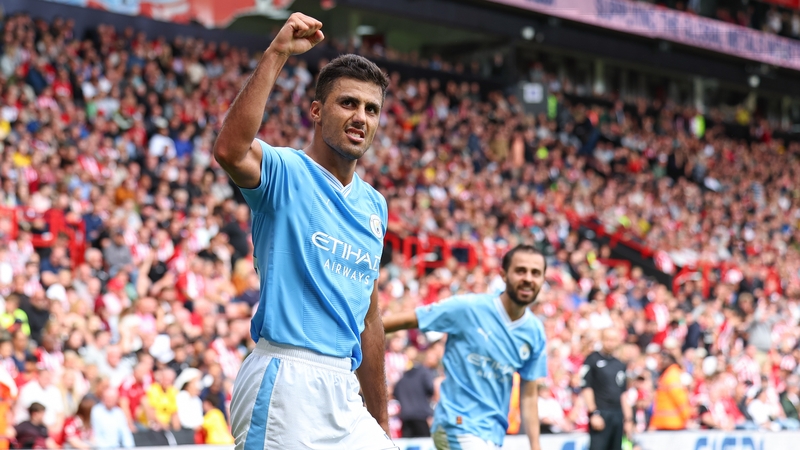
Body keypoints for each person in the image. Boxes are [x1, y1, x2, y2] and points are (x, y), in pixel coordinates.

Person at [214, 12, 394, 450]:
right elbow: (230, 150)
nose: (361, 117)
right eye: (348, 103)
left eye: (371, 109)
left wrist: (381, 427)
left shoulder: (374, 205)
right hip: (284, 380)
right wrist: (277, 53)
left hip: (343, 389)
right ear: (316, 110)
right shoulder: (287, 170)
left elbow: (369, 323)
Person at [383, 244, 548, 450]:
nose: (528, 278)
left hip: (492, 433)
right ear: (504, 275)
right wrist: (362, 327)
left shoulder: (534, 332)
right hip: (455, 424)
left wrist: (536, 446)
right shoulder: (469, 308)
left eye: (536, 273)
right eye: (521, 270)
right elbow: (411, 319)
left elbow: (529, 393)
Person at [580, 327, 633, 450]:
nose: (610, 342)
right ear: (602, 340)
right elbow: (586, 387)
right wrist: (594, 413)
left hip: (617, 415)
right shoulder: (592, 359)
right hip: (601, 412)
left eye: (613, 339)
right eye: (607, 339)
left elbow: (623, 393)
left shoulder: (620, 364)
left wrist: (628, 419)